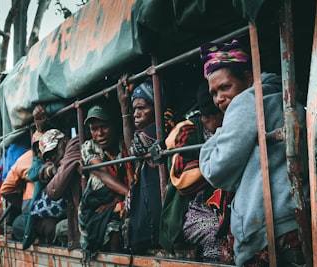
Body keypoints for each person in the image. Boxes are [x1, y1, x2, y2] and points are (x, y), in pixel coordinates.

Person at [198, 39, 307, 266]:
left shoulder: (246, 102)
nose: (219, 99)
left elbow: (216, 171)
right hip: (296, 216)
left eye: (225, 87)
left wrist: (219, 132)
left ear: (248, 78)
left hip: (268, 226)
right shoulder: (285, 97)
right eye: (214, 93)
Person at [159, 81, 233, 263]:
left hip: (227, 206)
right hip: (193, 209)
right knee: (218, 236)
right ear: (210, 116)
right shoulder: (187, 131)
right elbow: (183, 181)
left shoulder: (231, 127)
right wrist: (222, 161)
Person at [117, 76, 167, 254]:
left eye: (142, 108)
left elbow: (132, 149)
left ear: (156, 108)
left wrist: (124, 111)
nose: (136, 113)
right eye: (133, 108)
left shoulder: (155, 130)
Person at [78, 104, 132, 258]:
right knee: (113, 233)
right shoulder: (89, 147)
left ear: (114, 126)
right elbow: (102, 173)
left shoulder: (124, 144)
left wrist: (122, 199)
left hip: (119, 202)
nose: (99, 133)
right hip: (96, 208)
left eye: (104, 127)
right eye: (94, 129)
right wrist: (128, 194)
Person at [28, 129, 69, 246]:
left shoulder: (72, 157)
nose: (53, 155)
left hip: (66, 213)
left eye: (55, 150)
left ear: (65, 142)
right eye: (48, 154)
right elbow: (33, 174)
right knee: (52, 228)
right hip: (49, 215)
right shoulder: (48, 167)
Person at [0, 130, 38, 241]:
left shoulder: (24, 158)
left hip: (29, 206)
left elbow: (6, 190)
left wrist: (20, 203)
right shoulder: (66, 152)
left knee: (18, 225)